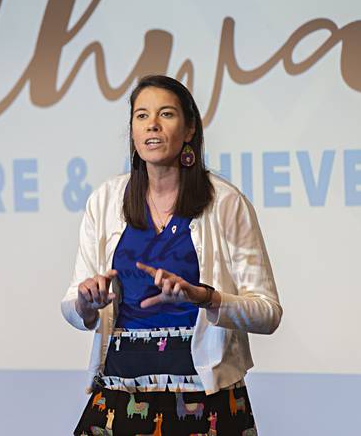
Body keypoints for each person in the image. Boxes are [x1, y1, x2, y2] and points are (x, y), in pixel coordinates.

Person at [61, 75, 282, 435]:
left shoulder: (226, 204)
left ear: (190, 128)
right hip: (120, 391)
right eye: (141, 115)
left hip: (206, 400)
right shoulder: (105, 201)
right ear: (132, 130)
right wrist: (87, 302)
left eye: (166, 114)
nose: (152, 124)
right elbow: (72, 306)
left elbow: (268, 314)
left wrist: (205, 298)